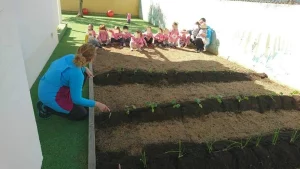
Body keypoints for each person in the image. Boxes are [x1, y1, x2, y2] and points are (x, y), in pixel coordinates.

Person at [37, 44, 110, 120]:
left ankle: (69, 97)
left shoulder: (70, 56)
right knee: (82, 114)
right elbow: (76, 100)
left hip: (45, 87)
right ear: (91, 59)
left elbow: (73, 67)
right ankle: (46, 107)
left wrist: (85, 68)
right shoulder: (77, 74)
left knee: (84, 74)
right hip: (51, 97)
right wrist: (97, 104)